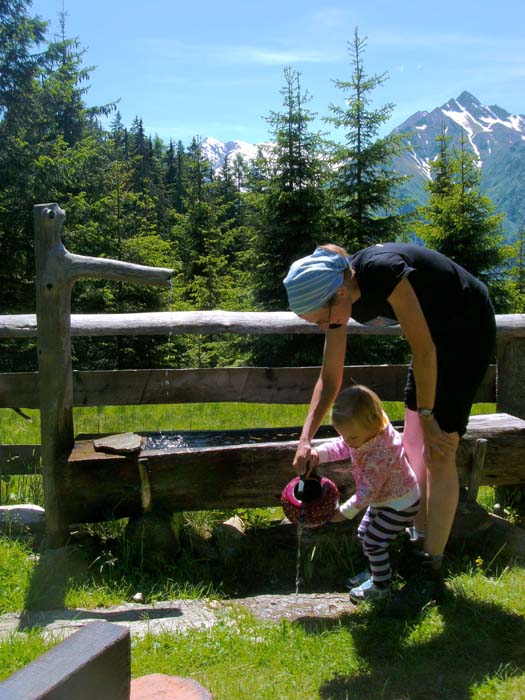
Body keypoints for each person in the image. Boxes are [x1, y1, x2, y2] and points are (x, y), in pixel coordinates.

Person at [283, 242, 496, 613]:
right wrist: (305, 439)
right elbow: (330, 378)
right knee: (413, 447)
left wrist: (430, 418)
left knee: (439, 450)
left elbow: (426, 350)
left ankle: (430, 571)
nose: (325, 327)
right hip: (430, 341)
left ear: (339, 293)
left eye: (321, 319)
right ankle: (415, 547)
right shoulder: (339, 295)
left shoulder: (383, 272)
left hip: (466, 331)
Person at [309, 384, 420, 602]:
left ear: (372, 425)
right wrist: (318, 454)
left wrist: (344, 511)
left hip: (401, 504)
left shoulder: (382, 452)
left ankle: (381, 588)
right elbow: (343, 446)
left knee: (374, 541)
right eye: (344, 436)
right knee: (364, 534)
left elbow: (368, 491)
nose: (347, 441)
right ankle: (378, 571)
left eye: (351, 437)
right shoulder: (365, 433)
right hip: (385, 500)